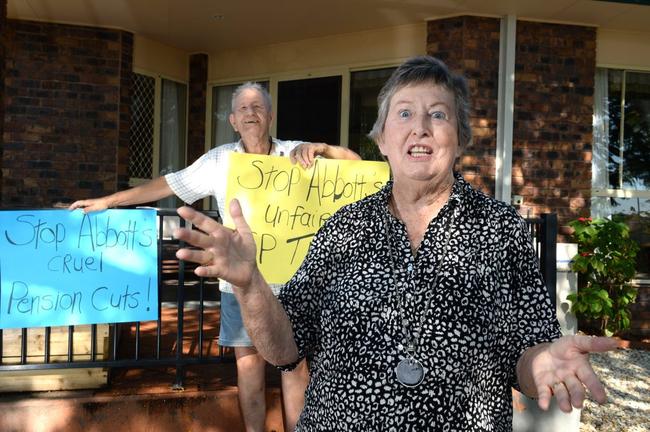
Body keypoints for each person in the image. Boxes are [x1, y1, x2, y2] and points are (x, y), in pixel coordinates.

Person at [171, 57, 619, 431]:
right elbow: (285, 347)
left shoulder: (501, 231)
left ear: (460, 137)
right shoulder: (342, 228)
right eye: (404, 113)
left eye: (438, 114)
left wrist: (540, 362)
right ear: (382, 140)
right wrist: (251, 286)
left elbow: (528, 351)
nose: (419, 127)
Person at [69, 81, 360, 432]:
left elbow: (355, 165)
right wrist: (107, 202)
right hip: (239, 285)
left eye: (258, 107)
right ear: (234, 121)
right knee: (248, 366)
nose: (251, 114)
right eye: (243, 109)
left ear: (270, 116)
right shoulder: (220, 160)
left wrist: (323, 149)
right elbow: (167, 185)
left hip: (291, 284)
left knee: (294, 366)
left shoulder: (295, 152)